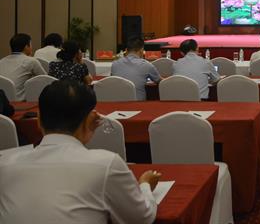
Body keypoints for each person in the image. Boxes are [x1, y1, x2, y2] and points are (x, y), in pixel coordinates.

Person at [0, 80, 159, 223]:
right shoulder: (106, 164)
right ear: (91, 119)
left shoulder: (5, 164)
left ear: (38, 119)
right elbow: (142, 218)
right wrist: (145, 185)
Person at [0, 33, 45, 101]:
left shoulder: (1, 61)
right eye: (31, 44)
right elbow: (45, 80)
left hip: (2, 101)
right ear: (26, 46)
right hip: (18, 103)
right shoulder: (31, 61)